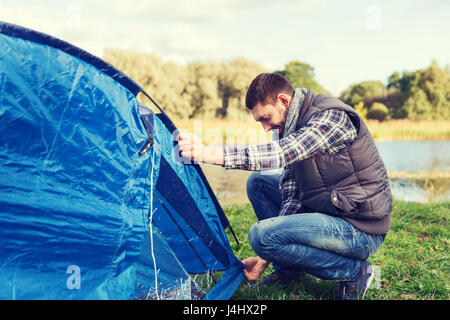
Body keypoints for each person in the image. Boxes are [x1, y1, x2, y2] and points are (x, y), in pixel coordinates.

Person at [177, 73, 392, 300]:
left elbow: (281, 153)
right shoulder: (287, 128)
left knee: (260, 235)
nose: (265, 128)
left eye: (266, 118)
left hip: (360, 228)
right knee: (259, 183)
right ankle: (288, 269)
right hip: (330, 211)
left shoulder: (332, 117)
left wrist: (207, 152)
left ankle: (355, 271)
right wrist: (267, 256)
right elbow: (292, 193)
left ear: (284, 101)